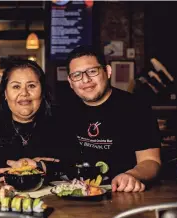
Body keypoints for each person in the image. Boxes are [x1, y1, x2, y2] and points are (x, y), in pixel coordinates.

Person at [63, 45, 161, 192]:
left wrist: (131, 175)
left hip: (122, 193)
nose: (85, 79)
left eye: (92, 71)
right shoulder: (65, 110)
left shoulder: (136, 107)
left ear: (107, 71)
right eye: (77, 75)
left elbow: (151, 161)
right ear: (70, 82)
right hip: (75, 195)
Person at [0, 59, 69, 181]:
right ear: (5, 93)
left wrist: (40, 166)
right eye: (16, 86)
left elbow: (72, 164)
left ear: (42, 91)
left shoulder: (60, 122)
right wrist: (15, 171)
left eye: (31, 86)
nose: (24, 93)